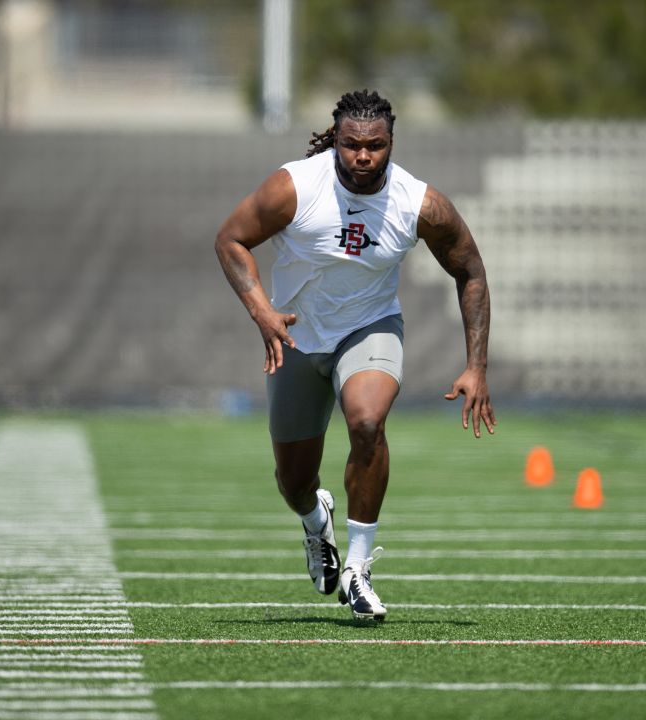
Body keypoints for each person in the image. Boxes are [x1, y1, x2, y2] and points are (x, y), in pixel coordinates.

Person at [213, 89, 496, 621]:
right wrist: (262, 312)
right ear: (335, 140)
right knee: (294, 482)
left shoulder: (419, 203)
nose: (363, 157)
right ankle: (316, 520)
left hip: (369, 327)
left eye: (375, 146)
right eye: (351, 145)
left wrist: (476, 365)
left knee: (367, 422)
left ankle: (358, 571)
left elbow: (470, 271)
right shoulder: (294, 186)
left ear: (391, 144)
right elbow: (230, 239)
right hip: (296, 335)